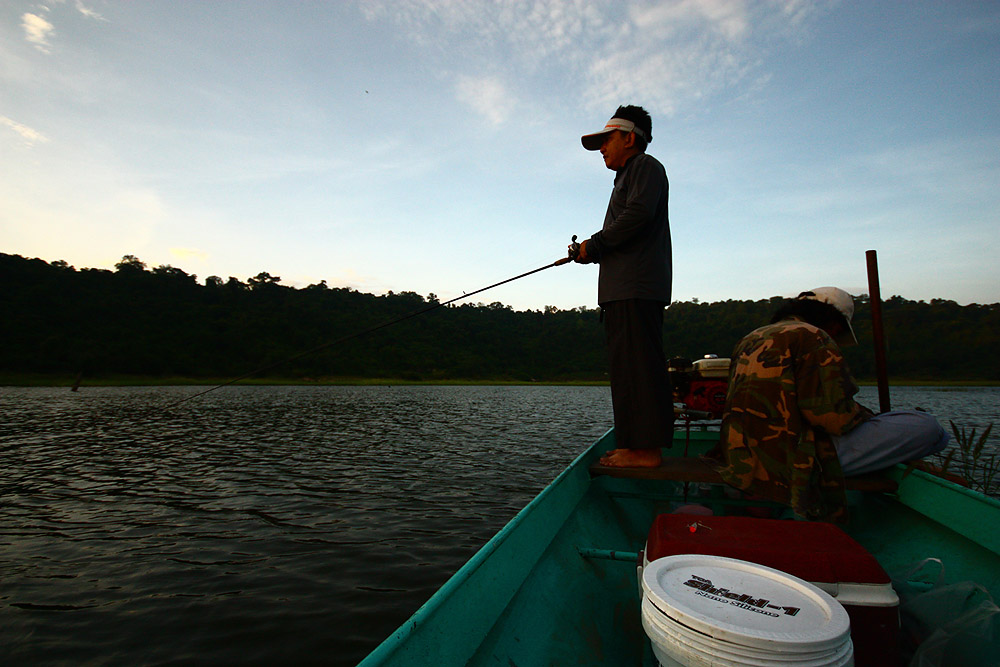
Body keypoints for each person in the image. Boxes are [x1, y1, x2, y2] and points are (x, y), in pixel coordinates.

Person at [714, 287, 949, 522]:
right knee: (928, 427)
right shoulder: (814, 337)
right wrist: (862, 416)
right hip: (792, 458)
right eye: (839, 332)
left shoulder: (751, 338)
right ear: (834, 324)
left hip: (742, 452)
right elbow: (833, 420)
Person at [572, 105, 673, 468]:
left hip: (636, 286)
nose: (601, 148)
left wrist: (594, 245)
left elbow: (638, 216)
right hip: (624, 288)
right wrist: (589, 251)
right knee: (628, 369)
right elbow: (628, 229)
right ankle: (635, 445)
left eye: (606, 140)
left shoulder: (645, 167)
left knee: (639, 368)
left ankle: (646, 451)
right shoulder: (629, 175)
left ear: (629, 138)